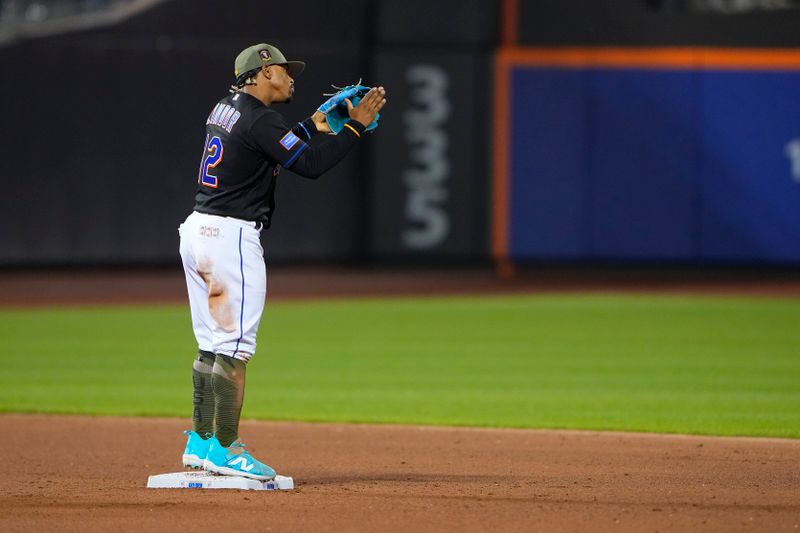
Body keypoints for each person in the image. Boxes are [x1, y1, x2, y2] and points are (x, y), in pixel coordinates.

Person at [178, 43, 386, 480]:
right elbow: (307, 166)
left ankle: (200, 442)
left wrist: (311, 124)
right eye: (283, 70)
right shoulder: (259, 118)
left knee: (211, 344)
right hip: (230, 236)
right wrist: (355, 130)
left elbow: (271, 145)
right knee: (234, 349)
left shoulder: (229, 108)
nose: (292, 77)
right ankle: (227, 449)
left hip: (198, 230)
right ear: (263, 72)